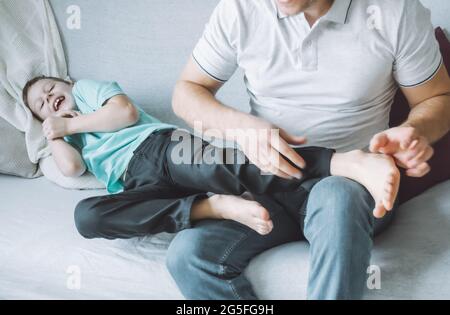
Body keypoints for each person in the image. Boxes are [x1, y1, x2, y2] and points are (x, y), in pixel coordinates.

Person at [168, 0, 450, 299]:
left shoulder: (395, 10)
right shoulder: (240, 9)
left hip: (352, 185)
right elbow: (187, 92)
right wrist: (240, 127)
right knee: (188, 254)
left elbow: (438, 97)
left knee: (336, 195)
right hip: (269, 182)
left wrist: (415, 131)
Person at [23, 76, 399, 237]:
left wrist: (70, 125)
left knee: (234, 166)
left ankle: (340, 161)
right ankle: (209, 207)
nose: (49, 99)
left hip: (161, 147)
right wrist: (53, 132)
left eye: (51, 89)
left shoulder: (88, 92)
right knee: (87, 217)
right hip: (137, 183)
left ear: (68, 84)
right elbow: (71, 169)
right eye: (40, 106)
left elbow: (125, 114)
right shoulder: (63, 133)